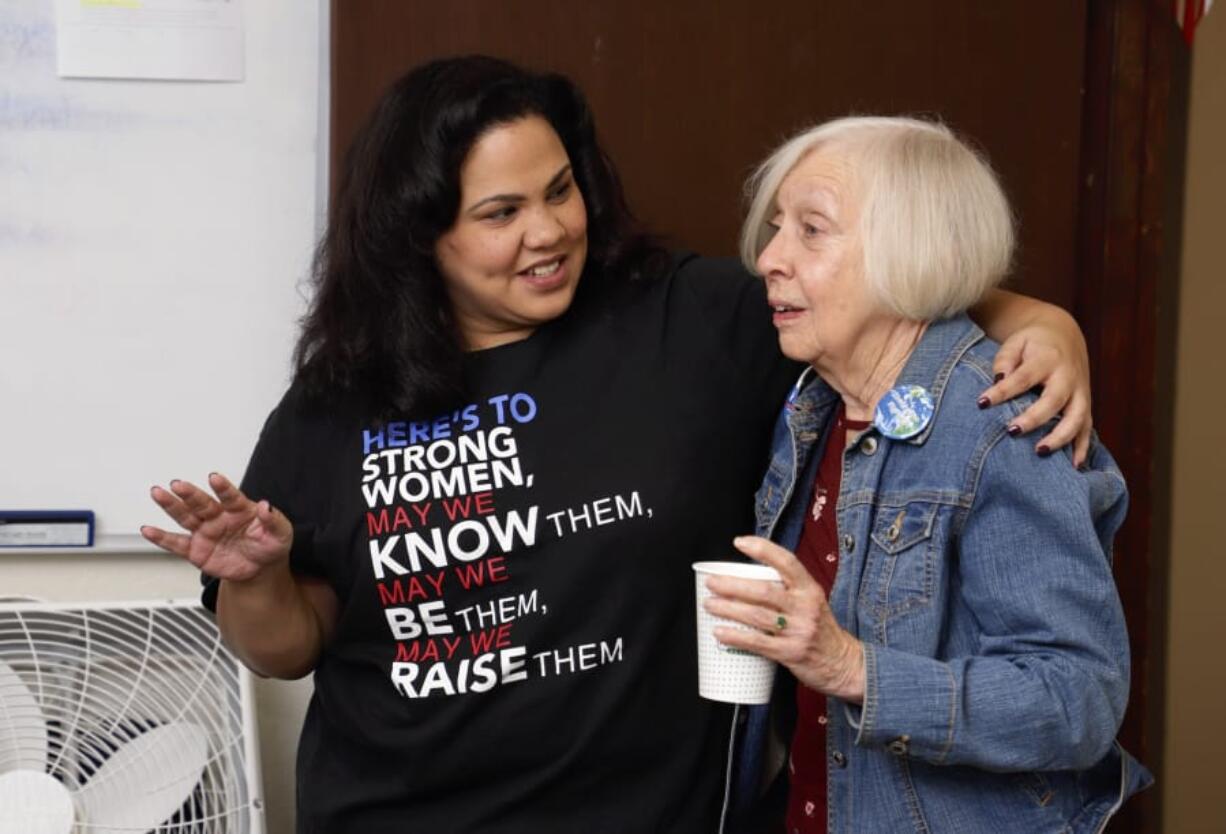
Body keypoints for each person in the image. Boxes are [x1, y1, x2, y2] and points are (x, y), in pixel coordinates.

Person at [142, 58, 1097, 833]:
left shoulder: (687, 321)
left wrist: (1047, 324)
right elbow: (286, 649)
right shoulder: (336, 401)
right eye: (500, 214)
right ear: (416, 237)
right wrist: (257, 580)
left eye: (560, 191)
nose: (549, 231)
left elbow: (883, 295)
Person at [705, 116, 1151, 834]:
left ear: (907, 253)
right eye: (776, 227)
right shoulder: (809, 409)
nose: (769, 259)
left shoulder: (999, 424)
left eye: (811, 230)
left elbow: (1079, 702)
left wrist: (853, 669)